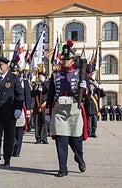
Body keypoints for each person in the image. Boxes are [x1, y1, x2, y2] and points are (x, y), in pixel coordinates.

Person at [46, 43, 87, 177]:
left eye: (67, 59)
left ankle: (79, 158)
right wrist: (47, 111)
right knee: (61, 141)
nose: (64, 61)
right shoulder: (55, 75)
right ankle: (62, 168)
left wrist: (85, 89)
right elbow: (51, 94)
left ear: (72, 60)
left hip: (74, 110)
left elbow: (88, 95)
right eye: (62, 59)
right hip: (59, 110)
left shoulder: (79, 74)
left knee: (76, 141)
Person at [9, 59, 31, 157]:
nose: (14, 73)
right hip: (10, 107)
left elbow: (27, 95)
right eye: (12, 71)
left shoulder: (24, 82)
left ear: (18, 72)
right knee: (11, 130)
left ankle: (17, 150)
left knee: (19, 131)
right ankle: (13, 146)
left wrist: (28, 109)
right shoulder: (8, 81)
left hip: (21, 108)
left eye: (15, 71)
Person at [84, 64, 106, 137]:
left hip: (95, 108)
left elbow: (103, 94)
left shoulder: (95, 89)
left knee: (95, 121)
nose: (91, 86)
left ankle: (93, 132)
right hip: (88, 107)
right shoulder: (86, 89)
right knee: (89, 121)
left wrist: (97, 88)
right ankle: (89, 132)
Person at [32, 72, 49, 144]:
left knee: (44, 121)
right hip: (37, 105)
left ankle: (44, 137)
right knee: (37, 121)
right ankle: (38, 138)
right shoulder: (36, 85)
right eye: (39, 76)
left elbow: (47, 89)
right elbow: (32, 94)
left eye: (42, 76)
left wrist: (44, 83)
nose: (40, 77)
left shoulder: (47, 83)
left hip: (44, 104)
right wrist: (38, 90)